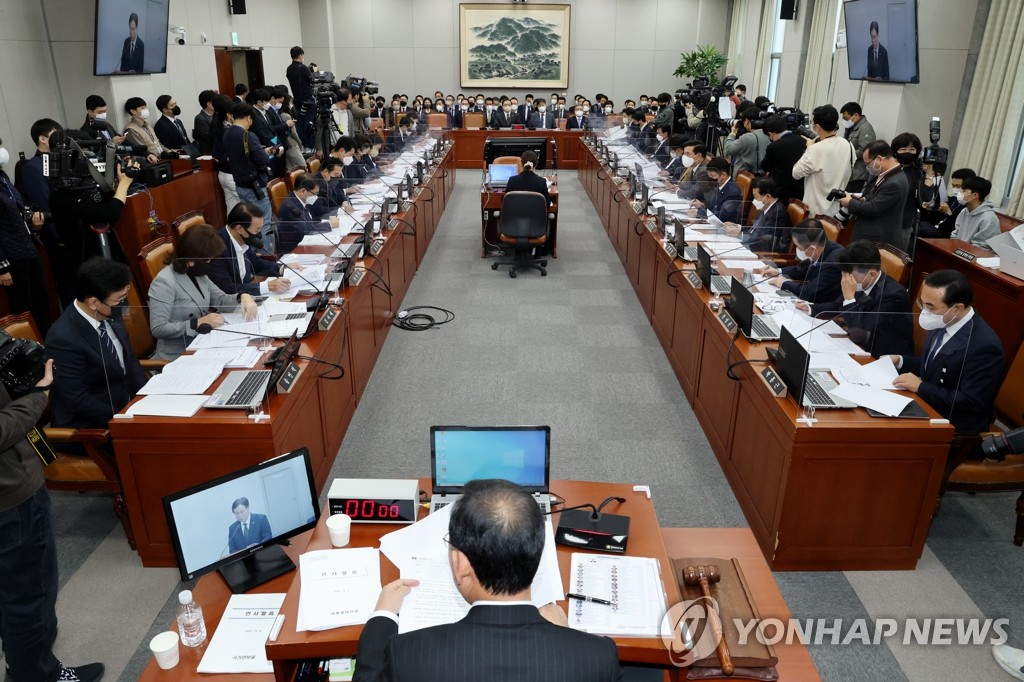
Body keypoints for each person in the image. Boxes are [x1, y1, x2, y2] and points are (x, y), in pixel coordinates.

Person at [353, 479, 622, 682]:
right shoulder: (599, 657)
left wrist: (383, 616)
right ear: (537, 555)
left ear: (460, 564)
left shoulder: (408, 655)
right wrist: (568, 637)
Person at [0, 358, 106, 682]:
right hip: (12, 502)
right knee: (30, 597)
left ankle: (22, 662)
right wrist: (38, 395)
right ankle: (39, 675)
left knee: (12, 594)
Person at [891, 269, 1004, 434]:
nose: (925, 312)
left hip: (955, 428)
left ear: (957, 308)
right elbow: (934, 365)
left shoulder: (985, 346)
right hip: (927, 407)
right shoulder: (943, 320)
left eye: (931, 307)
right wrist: (900, 360)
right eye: (922, 303)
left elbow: (972, 401)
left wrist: (921, 387)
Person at [45, 257, 147, 429]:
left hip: (128, 408)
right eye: (119, 299)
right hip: (94, 426)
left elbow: (129, 360)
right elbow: (77, 400)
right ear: (94, 302)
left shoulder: (108, 312)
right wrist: (122, 420)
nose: (124, 305)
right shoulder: (63, 338)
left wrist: (147, 398)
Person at [148, 224, 258, 360]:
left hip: (204, 343)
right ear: (192, 258)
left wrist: (243, 296)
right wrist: (197, 323)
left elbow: (221, 300)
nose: (210, 263)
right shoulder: (164, 282)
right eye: (207, 259)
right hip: (179, 354)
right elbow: (158, 328)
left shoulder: (198, 273)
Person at [803, 240, 913, 357]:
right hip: (861, 346)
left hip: (883, 356)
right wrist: (809, 308)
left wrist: (850, 298)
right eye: (844, 274)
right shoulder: (860, 280)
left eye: (850, 276)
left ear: (872, 275)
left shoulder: (893, 296)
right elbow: (838, 306)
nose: (845, 280)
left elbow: (860, 333)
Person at [0, 137, 51, 337]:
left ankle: (49, 341)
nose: (2, 151)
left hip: (28, 246)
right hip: (11, 256)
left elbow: (17, 210)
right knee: (23, 307)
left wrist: (34, 225)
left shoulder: (3, 177)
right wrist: (2, 266)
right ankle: (33, 348)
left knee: (41, 299)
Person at [22, 118, 74, 307]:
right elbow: (45, 206)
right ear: (43, 139)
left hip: (75, 230)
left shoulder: (60, 159)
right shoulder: (33, 167)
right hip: (59, 236)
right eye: (55, 135)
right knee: (69, 285)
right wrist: (59, 237)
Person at [208, 202, 293, 297]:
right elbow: (227, 289)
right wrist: (267, 286)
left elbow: (255, 263)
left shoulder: (241, 238)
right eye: (257, 230)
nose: (259, 235)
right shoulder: (217, 249)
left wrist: (282, 269)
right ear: (239, 228)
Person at [224, 102, 275, 251]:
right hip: (256, 187)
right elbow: (262, 160)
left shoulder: (227, 134)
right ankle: (265, 256)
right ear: (248, 118)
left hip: (240, 184)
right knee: (262, 223)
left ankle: (253, 256)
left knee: (248, 225)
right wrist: (266, 152)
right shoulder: (248, 135)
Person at [839, 141, 910, 248]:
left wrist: (849, 202)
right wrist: (862, 199)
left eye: (868, 164)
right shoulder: (885, 173)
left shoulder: (895, 182)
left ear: (879, 159)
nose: (867, 167)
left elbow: (874, 208)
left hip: (877, 240)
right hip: (868, 235)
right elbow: (875, 198)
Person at [792, 104, 856, 217]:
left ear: (817, 127)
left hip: (814, 211)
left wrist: (808, 148)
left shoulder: (815, 149)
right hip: (836, 210)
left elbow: (796, 173)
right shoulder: (848, 145)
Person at [764, 219, 843, 303]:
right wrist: (778, 271)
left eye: (799, 247)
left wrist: (783, 283)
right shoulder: (822, 248)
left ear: (812, 248)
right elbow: (802, 269)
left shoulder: (833, 262)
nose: (797, 250)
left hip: (824, 309)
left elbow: (809, 292)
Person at [725, 176, 791, 253]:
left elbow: (765, 242)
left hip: (759, 253)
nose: (754, 200)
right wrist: (739, 228)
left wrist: (740, 234)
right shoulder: (767, 207)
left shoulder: (777, 214)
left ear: (767, 196)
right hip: (750, 245)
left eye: (756, 197)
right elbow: (755, 230)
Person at [277, 174, 339, 253]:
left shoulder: (302, 200)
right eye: (315, 194)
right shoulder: (290, 207)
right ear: (303, 191)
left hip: (306, 243)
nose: (316, 197)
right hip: (294, 251)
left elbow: (311, 220)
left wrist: (326, 220)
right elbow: (305, 229)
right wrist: (329, 224)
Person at [919, 167, 975, 238]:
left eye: (958, 186)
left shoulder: (969, 206)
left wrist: (948, 213)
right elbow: (935, 218)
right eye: (953, 186)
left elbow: (957, 229)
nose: (955, 189)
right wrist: (930, 209)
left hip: (945, 236)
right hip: (934, 229)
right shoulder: (952, 200)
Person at [760, 115, 806, 203]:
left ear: (770, 134)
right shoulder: (803, 140)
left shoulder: (774, 146)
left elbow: (765, 167)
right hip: (800, 192)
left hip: (781, 193)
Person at [950, 175, 1000, 249]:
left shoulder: (989, 218)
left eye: (964, 191)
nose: (959, 193)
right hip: (959, 251)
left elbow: (981, 247)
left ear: (974, 195)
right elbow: (955, 234)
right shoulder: (964, 211)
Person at [690, 157, 742, 224]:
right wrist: (702, 205)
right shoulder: (721, 186)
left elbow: (721, 216)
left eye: (712, 175)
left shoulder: (733, 193)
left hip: (724, 228)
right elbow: (714, 206)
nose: (710, 179)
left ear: (723, 175)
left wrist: (699, 212)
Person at [839, 102, 876, 192]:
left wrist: (844, 153)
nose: (844, 121)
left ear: (855, 115)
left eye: (846, 118)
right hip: (849, 171)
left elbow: (864, 152)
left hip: (857, 175)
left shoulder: (865, 129)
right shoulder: (851, 127)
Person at [723, 110, 769, 176]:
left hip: (744, 178)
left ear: (747, 121)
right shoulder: (768, 135)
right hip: (761, 176)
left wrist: (732, 133)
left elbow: (728, 149)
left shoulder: (747, 137)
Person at [286, 46, 315, 147]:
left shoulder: (289, 69)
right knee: (309, 124)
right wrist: (314, 71)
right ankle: (310, 146)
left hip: (297, 101)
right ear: (300, 55)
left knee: (300, 124)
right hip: (308, 101)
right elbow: (312, 80)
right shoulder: (303, 68)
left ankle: (302, 145)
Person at [122, 97, 166, 163]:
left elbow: (157, 143)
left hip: (161, 159)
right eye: (142, 108)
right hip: (150, 162)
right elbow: (140, 150)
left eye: (145, 107)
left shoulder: (148, 126)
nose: (146, 110)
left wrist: (169, 151)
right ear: (133, 111)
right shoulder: (131, 129)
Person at [194, 90, 216, 155]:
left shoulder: (216, 115)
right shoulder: (200, 118)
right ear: (209, 104)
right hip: (209, 153)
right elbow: (209, 137)